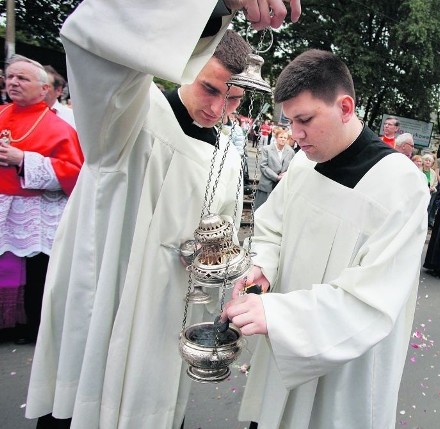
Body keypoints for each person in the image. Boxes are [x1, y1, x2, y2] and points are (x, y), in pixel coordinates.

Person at [25, 1, 301, 428]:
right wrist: (218, 7)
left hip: (170, 309)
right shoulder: (131, 114)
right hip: (110, 295)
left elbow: (224, 233)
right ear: (186, 63)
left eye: (233, 99)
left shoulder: (227, 155)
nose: (217, 109)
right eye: (210, 88)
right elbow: (94, 42)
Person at [220, 49, 429, 429]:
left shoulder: (400, 185)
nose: (295, 135)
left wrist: (278, 314)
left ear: (345, 107)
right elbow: (271, 226)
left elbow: (372, 298)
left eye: (305, 120)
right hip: (286, 339)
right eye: (290, 121)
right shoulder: (303, 163)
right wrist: (263, 265)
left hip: (343, 362)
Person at [0, 55, 83, 344]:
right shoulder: (1, 114)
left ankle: (30, 325)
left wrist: (23, 159)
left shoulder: (59, 126)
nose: (13, 82)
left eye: (22, 78)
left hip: (34, 210)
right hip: (2, 206)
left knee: (36, 273)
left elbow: (73, 172)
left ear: (44, 88)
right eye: (10, 77)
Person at [253, 126, 295, 209]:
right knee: (261, 208)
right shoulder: (267, 149)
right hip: (267, 184)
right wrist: (276, 177)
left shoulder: (290, 151)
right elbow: (263, 166)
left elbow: (292, 167)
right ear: (276, 138)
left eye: (285, 138)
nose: (283, 139)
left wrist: (285, 174)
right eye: (281, 137)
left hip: (281, 186)